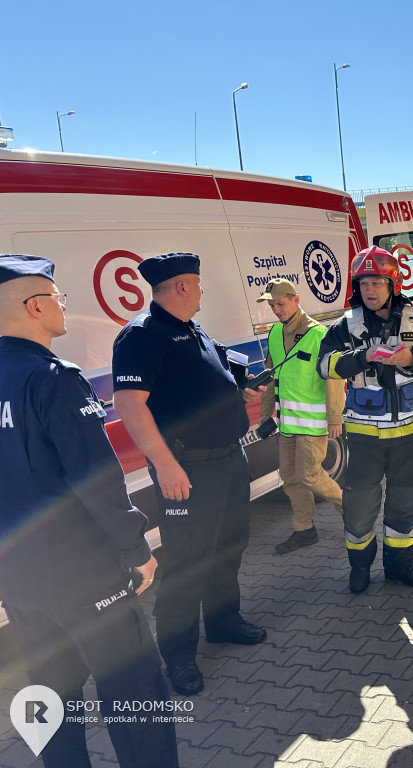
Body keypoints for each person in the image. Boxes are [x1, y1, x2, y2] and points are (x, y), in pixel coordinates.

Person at [0, 254, 179, 766]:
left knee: (51, 692)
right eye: (58, 298)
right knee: (134, 689)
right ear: (35, 306)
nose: (62, 307)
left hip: (19, 576)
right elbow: (96, 480)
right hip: (84, 574)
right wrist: (136, 548)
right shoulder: (52, 376)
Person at [112, 252, 266, 697]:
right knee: (186, 562)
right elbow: (129, 405)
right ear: (181, 287)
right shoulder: (143, 335)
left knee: (228, 545)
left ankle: (222, 621)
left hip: (228, 461)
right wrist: (165, 464)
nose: (201, 291)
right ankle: (178, 654)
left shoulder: (192, 328)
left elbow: (207, 378)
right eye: (197, 284)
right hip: (188, 468)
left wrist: (240, 385)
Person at [317, 247, 413, 593]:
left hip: (408, 433)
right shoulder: (345, 325)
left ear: (393, 284)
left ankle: (400, 567)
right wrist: (361, 356)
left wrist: (412, 359)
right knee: (360, 505)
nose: (370, 290)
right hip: (364, 437)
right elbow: (324, 365)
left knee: (405, 503)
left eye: (377, 282)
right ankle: (360, 567)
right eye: (363, 283)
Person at [256, 278, 346, 554]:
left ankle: (353, 511)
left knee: (309, 476)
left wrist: (335, 417)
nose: (276, 310)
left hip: (313, 422)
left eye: (281, 304)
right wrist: (264, 416)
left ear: (296, 299)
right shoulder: (274, 334)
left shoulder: (319, 334)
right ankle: (304, 529)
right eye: (272, 305)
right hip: (287, 423)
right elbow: (271, 378)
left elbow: (334, 377)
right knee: (290, 476)